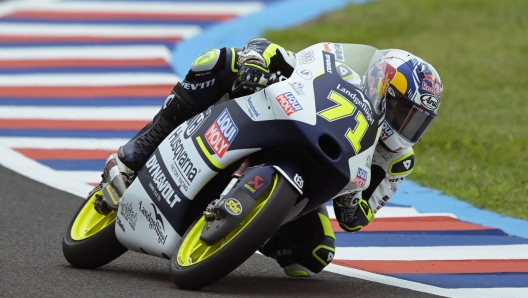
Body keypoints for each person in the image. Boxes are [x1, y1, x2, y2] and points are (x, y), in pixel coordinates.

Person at [117, 38, 443, 277]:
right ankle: (144, 145)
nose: (405, 124)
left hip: (313, 179)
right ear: (380, 85)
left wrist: (352, 201)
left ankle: (252, 231)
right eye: (401, 110)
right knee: (220, 61)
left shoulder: (398, 159)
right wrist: (258, 62)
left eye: (416, 120)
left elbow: (357, 218)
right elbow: (273, 51)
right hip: (279, 119)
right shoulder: (337, 64)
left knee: (315, 253)